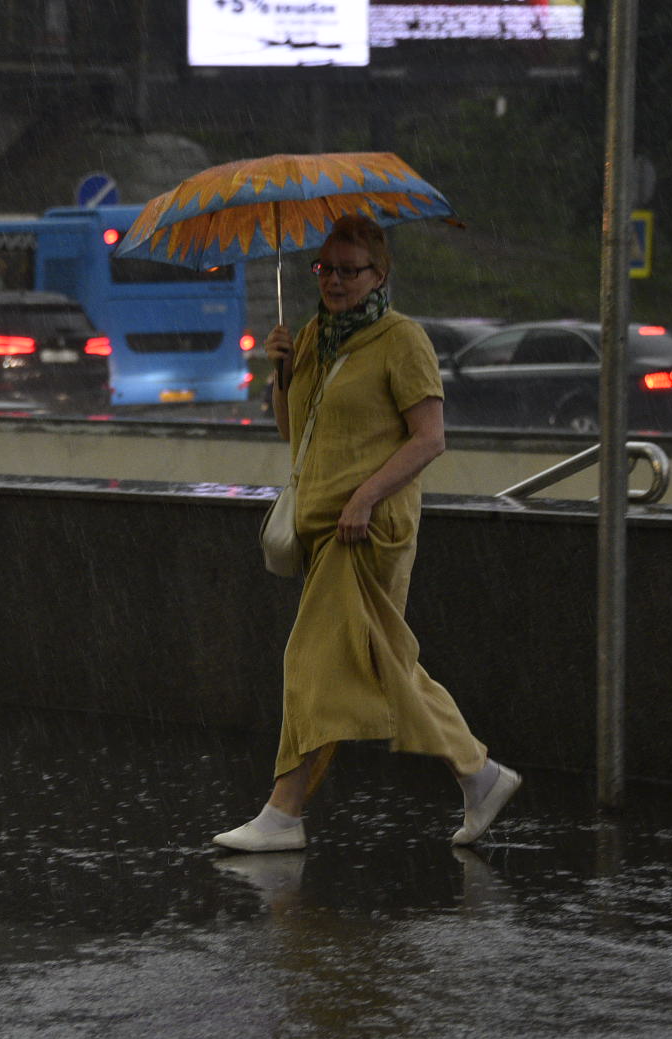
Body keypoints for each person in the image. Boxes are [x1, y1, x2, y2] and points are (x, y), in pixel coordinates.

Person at [212, 214, 521, 853]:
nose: (334, 282)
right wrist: (281, 376)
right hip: (325, 524)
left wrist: (365, 496)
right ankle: (478, 773)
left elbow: (429, 438)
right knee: (381, 664)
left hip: (368, 530)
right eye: (325, 269)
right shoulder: (315, 337)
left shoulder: (401, 339)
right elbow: (296, 437)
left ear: (379, 274)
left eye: (349, 271)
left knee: (312, 664)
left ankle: (284, 812)